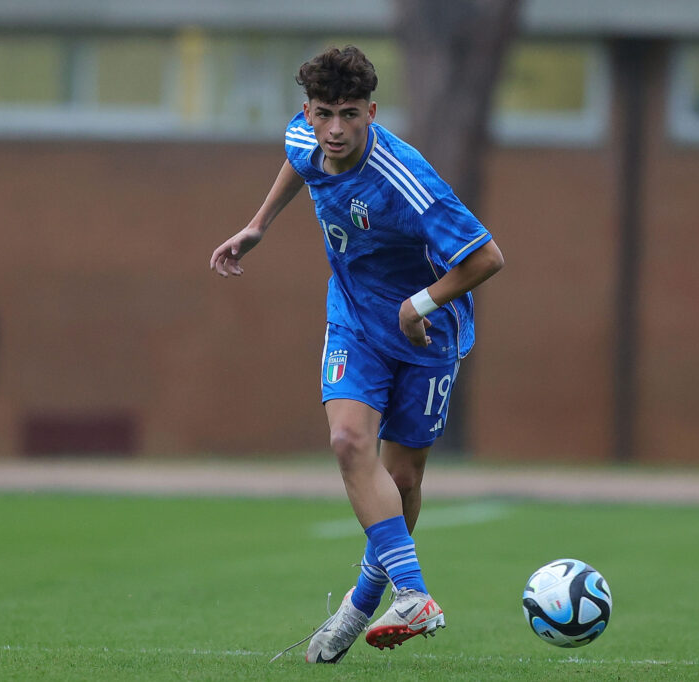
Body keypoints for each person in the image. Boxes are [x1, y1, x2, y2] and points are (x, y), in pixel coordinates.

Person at [210, 45, 503, 664]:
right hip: (353, 318)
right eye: (324, 114)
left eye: (349, 114)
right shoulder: (305, 136)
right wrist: (259, 224)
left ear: (372, 110)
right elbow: (300, 162)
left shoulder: (407, 177)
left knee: (401, 481)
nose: (335, 130)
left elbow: (485, 258)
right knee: (347, 442)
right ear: (308, 112)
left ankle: (360, 603)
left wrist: (417, 306)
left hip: (429, 329)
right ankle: (416, 595)